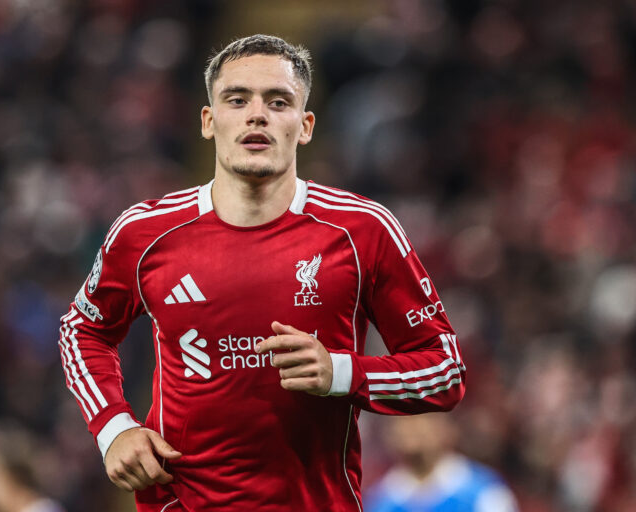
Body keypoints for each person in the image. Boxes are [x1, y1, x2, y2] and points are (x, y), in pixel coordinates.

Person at [58, 34, 466, 511]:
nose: (257, 115)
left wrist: (340, 371)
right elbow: (82, 330)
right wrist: (114, 428)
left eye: (278, 101)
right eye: (237, 100)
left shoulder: (362, 230)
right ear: (209, 122)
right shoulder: (145, 233)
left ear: (306, 125)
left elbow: (445, 370)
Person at [363, 414, 518, 512]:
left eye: (422, 419)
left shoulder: (484, 493)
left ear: (446, 427)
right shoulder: (381, 499)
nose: (411, 428)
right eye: (403, 421)